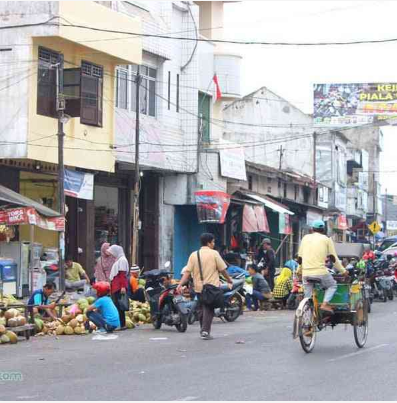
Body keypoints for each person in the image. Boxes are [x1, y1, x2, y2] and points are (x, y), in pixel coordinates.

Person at [177, 233, 233, 340]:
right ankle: (205, 331)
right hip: (211, 286)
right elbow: (223, 270)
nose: (214, 244)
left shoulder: (194, 254)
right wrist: (229, 280)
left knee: (202, 307)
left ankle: (203, 330)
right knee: (209, 308)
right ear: (209, 242)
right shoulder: (214, 254)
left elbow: (187, 272)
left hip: (198, 287)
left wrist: (180, 284)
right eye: (213, 242)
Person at [297, 220, 348, 313]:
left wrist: (299, 271)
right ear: (323, 230)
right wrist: (343, 271)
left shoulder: (305, 238)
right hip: (320, 273)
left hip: (306, 273)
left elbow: (300, 258)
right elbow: (333, 258)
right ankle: (324, 304)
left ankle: (307, 317)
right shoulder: (326, 239)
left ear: (312, 229)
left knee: (307, 298)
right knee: (332, 285)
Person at [108, 245, 129, 330]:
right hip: (116, 286)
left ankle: (121, 324)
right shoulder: (119, 260)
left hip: (119, 287)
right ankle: (121, 324)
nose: (112, 255)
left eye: (112, 252)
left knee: (119, 306)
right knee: (117, 306)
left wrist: (123, 287)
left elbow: (122, 275)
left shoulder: (122, 260)